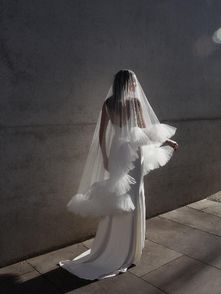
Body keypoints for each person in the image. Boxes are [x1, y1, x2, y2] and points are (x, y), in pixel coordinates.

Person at [58, 69, 179, 280]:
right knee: (132, 195)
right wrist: (167, 141)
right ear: (129, 84)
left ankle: (115, 244)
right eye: (133, 82)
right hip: (133, 151)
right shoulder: (135, 103)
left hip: (117, 151)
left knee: (120, 195)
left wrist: (105, 157)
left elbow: (102, 134)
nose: (135, 85)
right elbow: (146, 129)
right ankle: (128, 249)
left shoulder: (108, 103)